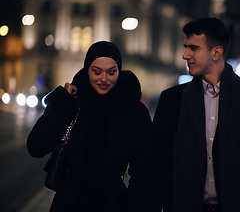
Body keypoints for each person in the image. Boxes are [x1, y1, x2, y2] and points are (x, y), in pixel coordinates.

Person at [153, 17, 240, 212]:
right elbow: (158, 166)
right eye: (186, 47)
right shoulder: (172, 100)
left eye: (193, 48)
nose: (185, 55)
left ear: (216, 52)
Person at [27, 41, 155, 212]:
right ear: (87, 70)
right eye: (96, 72)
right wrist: (61, 103)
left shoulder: (133, 111)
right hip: (68, 204)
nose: (103, 79)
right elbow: (36, 147)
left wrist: (130, 204)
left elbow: (144, 171)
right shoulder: (75, 102)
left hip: (113, 205)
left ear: (120, 70)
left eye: (111, 72)